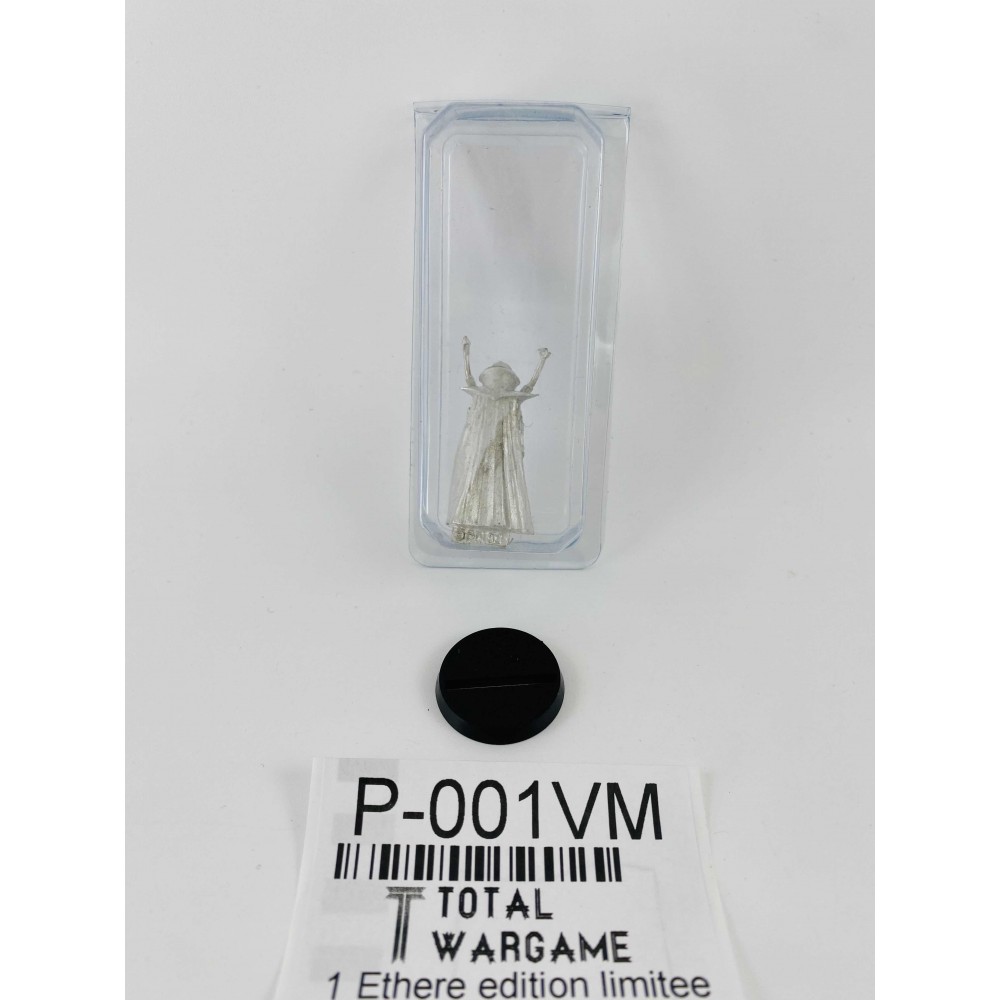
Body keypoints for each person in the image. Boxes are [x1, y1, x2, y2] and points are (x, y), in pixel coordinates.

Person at [449, 337, 551, 546]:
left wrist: (542, 362)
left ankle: (491, 525)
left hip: (500, 446)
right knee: (478, 478)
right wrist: (466, 353)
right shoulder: (485, 396)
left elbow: (528, 387)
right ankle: (471, 522)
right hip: (484, 446)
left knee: (494, 480)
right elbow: (527, 387)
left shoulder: (508, 399)